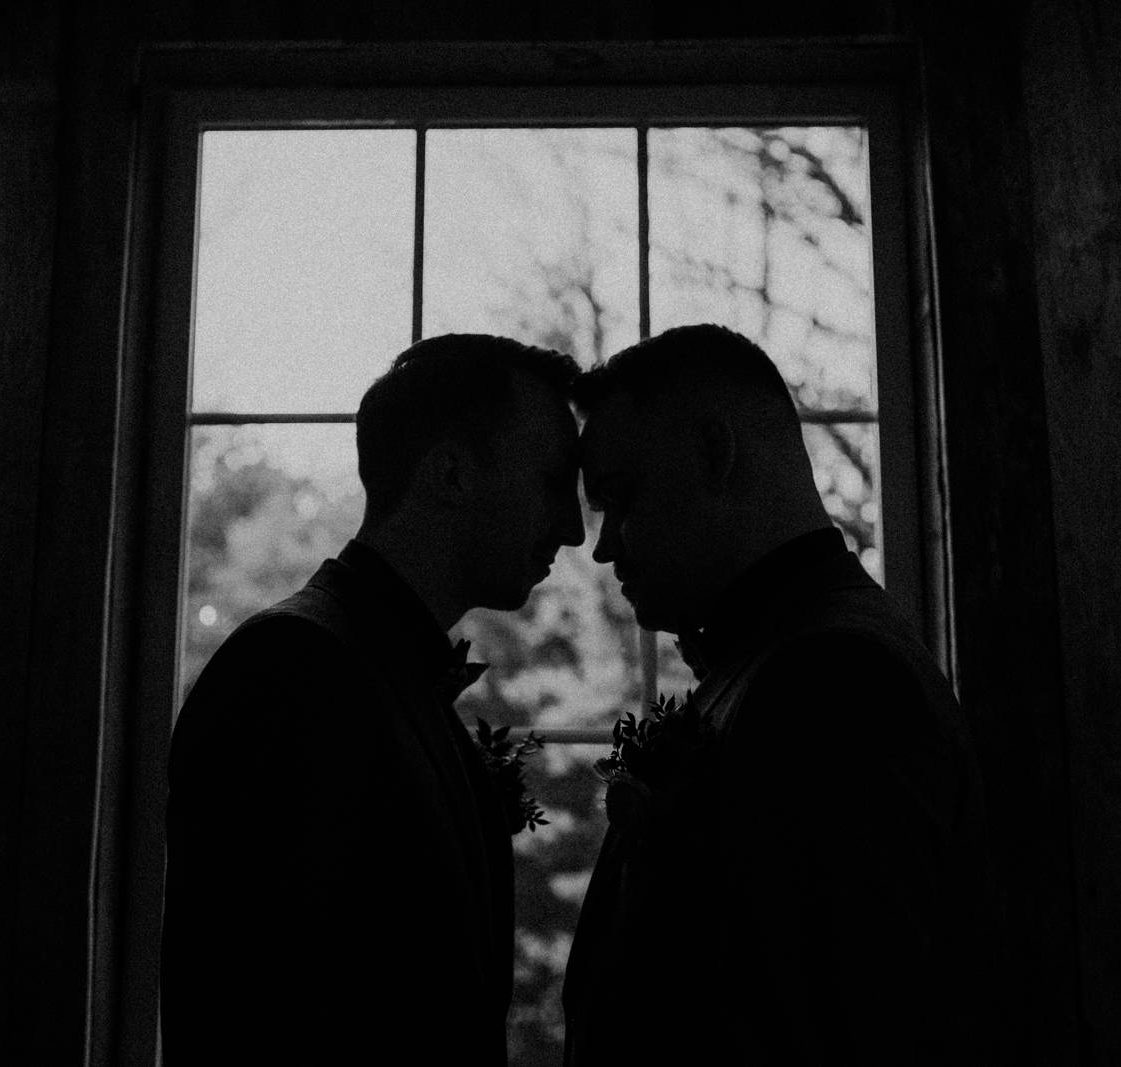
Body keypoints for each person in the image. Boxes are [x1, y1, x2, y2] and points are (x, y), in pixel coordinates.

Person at [563, 324, 988, 1065]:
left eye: (621, 497)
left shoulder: (835, 681)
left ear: (715, 454)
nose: (604, 546)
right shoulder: (792, 654)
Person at [161, 334, 584, 1064]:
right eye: (551, 481)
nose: (573, 528)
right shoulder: (290, 667)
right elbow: (245, 1006)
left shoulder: (372, 668)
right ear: (451, 473)